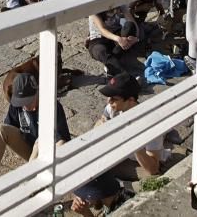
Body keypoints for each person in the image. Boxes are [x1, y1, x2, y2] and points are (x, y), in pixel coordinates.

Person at [70, 74, 166, 215]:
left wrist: (135, 145)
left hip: (137, 162)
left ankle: (116, 194)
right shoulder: (113, 108)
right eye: (109, 97)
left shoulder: (149, 123)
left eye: (114, 98)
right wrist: (101, 128)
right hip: (117, 156)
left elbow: (153, 168)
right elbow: (99, 123)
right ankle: (101, 195)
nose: (109, 101)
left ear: (131, 100)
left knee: (155, 181)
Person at [0, 73, 71, 183]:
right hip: (28, 147)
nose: (24, 106)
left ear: (36, 93)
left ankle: (31, 182)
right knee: (0, 129)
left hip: (46, 154)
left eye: (27, 101)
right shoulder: (17, 104)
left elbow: (62, 142)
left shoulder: (52, 107)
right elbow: (8, 128)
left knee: (41, 141)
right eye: (21, 102)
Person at [87, 2, 139, 77]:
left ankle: (112, 62)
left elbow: (132, 21)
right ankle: (125, 76)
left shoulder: (119, 3)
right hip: (99, 38)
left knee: (130, 25)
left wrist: (136, 38)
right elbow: (102, 30)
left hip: (116, 35)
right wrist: (118, 39)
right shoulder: (94, 7)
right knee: (100, 51)